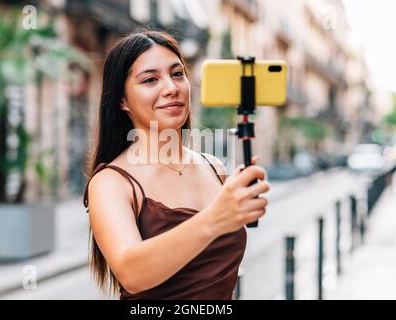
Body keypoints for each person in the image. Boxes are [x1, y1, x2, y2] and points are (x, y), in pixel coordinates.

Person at [83, 30, 269, 300]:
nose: (171, 88)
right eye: (150, 80)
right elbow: (132, 274)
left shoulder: (213, 167)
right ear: (122, 101)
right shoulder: (111, 182)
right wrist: (217, 217)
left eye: (177, 74)